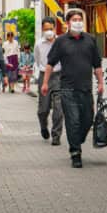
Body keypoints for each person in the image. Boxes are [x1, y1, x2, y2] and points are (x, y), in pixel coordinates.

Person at [42, 8, 103, 168]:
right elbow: (50, 63)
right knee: (73, 121)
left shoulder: (90, 39)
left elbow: (97, 64)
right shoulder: (61, 41)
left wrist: (101, 82)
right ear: (68, 23)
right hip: (68, 89)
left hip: (86, 89)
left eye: (79, 19)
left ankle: (78, 139)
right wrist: (45, 83)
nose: (78, 22)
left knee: (87, 119)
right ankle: (75, 152)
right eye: (74, 19)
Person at [35, 17, 63, 145]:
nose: (48, 32)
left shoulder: (61, 42)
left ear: (54, 28)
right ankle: (43, 126)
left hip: (59, 76)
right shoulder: (39, 44)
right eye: (46, 29)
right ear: (42, 29)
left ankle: (56, 135)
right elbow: (38, 60)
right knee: (43, 109)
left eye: (50, 29)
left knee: (58, 108)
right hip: (43, 76)